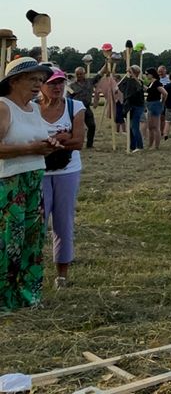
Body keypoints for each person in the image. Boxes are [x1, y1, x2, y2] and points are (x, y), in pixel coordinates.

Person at [0, 58, 61, 311]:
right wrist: (30, 149)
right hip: (9, 182)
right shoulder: (3, 106)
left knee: (32, 239)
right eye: (32, 79)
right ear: (14, 81)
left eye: (40, 80)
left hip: (34, 178)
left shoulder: (34, 109)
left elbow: (38, 140)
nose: (38, 85)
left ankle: (28, 297)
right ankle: (4, 299)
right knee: (9, 241)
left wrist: (49, 145)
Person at [37, 68, 86, 288]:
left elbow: (78, 142)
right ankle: (33, 271)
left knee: (63, 222)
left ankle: (62, 275)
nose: (57, 87)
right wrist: (62, 138)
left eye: (60, 82)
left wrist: (52, 142)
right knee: (36, 222)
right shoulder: (31, 108)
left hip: (68, 171)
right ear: (41, 85)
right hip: (39, 171)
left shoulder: (75, 107)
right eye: (51, 83)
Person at [117, 64, 145, 153]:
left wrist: (132, 73)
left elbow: (139, 86)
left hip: (137, 106)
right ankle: (132, 146)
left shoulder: (139, 81)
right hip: (128, 106)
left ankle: (139, 146)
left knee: (134, 127)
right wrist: (126, 75)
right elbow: (119, 86)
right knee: (129, 128)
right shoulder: (127, 81)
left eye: (132, 72)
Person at [69, 67, 96, 149]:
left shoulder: (90, 82)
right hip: (76, 109)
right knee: (74, 127)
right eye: (77, 74)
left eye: (81, 74)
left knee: (92, 125)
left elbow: (100, 75)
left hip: (86, 107)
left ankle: (89, 144)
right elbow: (68, 98)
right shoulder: (71, 85)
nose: (79, 76)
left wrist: (106, 64)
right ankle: (73, 143)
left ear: (84, 74)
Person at [143, 68, 165, 150]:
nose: (146, 76)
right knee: (150, 127)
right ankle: (150, 144)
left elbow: (165, 93)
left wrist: (162, 103)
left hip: (155, 105)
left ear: (152, 74)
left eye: (147, 74)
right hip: (150, 105)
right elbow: (148, 90)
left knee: (155, 127)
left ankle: (156, 146)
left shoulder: (157, 83)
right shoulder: (151, 83)